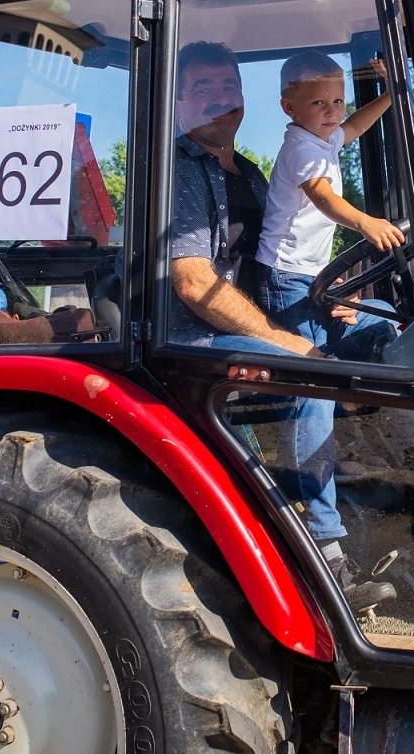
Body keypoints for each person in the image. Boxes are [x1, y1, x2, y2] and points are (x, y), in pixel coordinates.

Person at [169, 40, 396, 614]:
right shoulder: (176, 171)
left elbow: (280, 257)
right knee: (306, 376)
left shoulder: (245, 171)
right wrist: (281, 337)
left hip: (271, 308)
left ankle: (403, 515)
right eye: (204, 89)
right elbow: (194, 285)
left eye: (229, 88)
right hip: (189, 339)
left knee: (391, 334)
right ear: (176, 101)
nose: (221, 100)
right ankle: (322, 553)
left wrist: (327, 299)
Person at [255, 50, 402, 356]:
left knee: (382, 316)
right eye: (318, 103)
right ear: (289, 107)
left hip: (310, 270)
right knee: (309, 357)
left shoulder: (323, 138)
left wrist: (390, 95)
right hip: (285, 274)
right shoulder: (300, 149)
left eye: (337, 101)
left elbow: (357, 126)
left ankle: (349, 392)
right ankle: (323, 399)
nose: (332, 112)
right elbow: (324, 198)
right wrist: (365, 222)